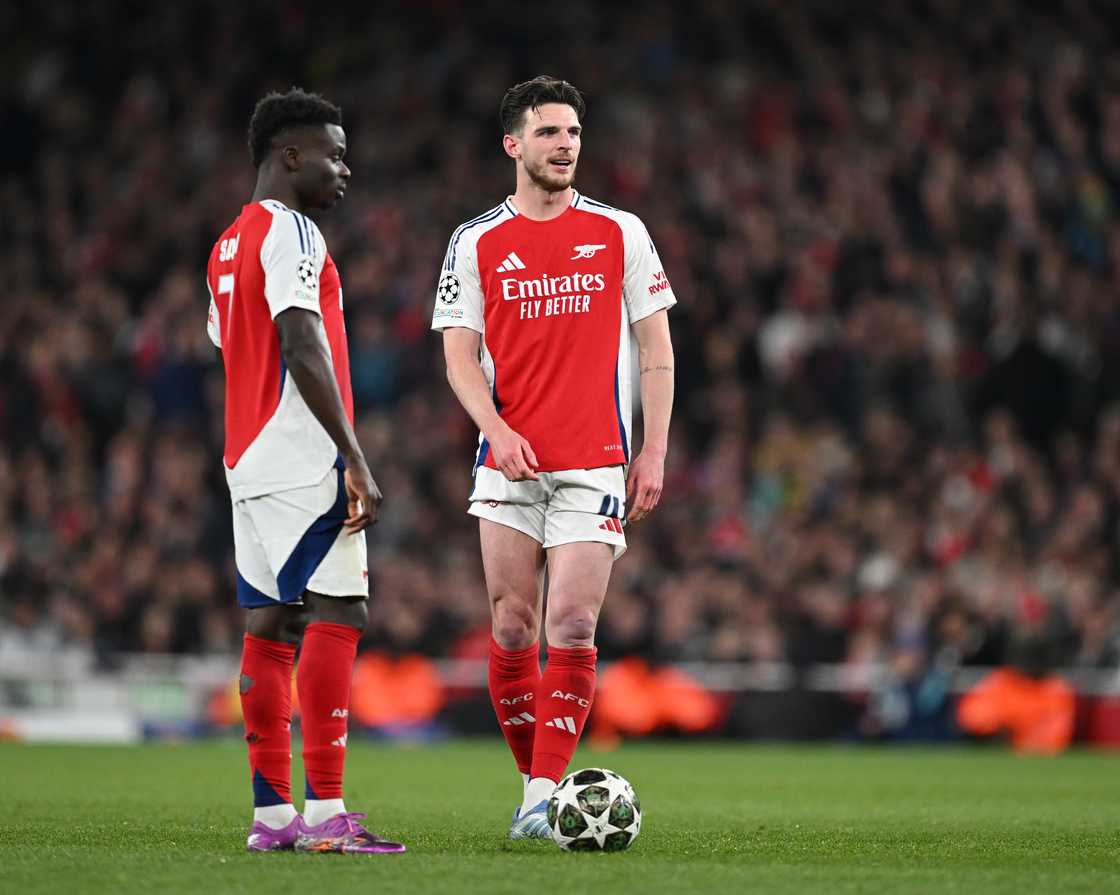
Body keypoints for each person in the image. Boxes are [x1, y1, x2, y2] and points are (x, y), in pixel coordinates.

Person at [432, 76, 676, 838]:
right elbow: (459, 357)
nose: (566, 144)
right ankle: (535, 791)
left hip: (598, 459)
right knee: (511, 626)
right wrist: (495, 431)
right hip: (508, 463)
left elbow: (657, 352)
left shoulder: (620, 232)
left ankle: (541, 794)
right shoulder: (476, 241)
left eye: (573, 133)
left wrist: (653, 450)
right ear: (514, 144)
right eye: (549, 133)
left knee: (570, 622)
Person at [205, 88, 404, 854]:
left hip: (245, 459)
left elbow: (230, 348)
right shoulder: (294, 233)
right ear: (291, 155)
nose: (345, 169)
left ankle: (272, 815)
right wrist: (354, 457)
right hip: (299, 454)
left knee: (270, 623)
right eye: (334, 153)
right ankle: (325, 815)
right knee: (340, 611)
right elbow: (299, 342)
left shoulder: (225, 243)